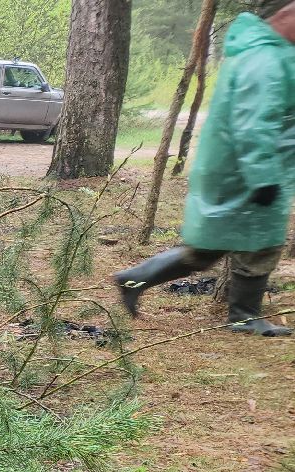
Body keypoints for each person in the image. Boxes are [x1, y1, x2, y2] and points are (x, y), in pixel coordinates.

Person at [115, 4, 295, 337]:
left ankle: (134, 278)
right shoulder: (265, 59)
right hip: (247, 171)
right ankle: (243, 317)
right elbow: (254, 124)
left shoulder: (266, 52)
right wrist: (264, 177)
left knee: (210, 245)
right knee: (260, 243)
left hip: (237, 168)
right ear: (285, 17)